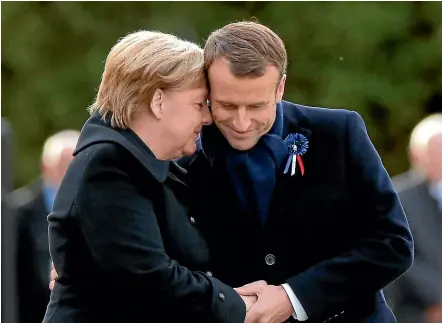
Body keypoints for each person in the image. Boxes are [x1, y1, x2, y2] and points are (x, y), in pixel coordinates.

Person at [182, 21, 414, 323]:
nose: (241, 122)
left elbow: (392, 244)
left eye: (255, 106)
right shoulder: (183, 155)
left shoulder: (339, 133)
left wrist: (294, 296)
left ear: (280, 88)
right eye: (226, 105)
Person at [42, 30, 254, 323]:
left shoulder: (152, 166)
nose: (207, 118)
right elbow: (149, 276)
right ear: (158, 102)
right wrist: (240, 305)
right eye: (197, 104)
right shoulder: (109, 166)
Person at [9, 130, 79, 323]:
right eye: (64, 165)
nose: (71, 174)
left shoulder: (97, 209)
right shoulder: (16, 213)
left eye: (77, 165)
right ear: (46, 167)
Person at [386, 113, 442, 323]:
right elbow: (396, 255)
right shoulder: (396, 197)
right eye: (432, 152)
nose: (437, 159)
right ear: (415, 155)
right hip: (414, 312)